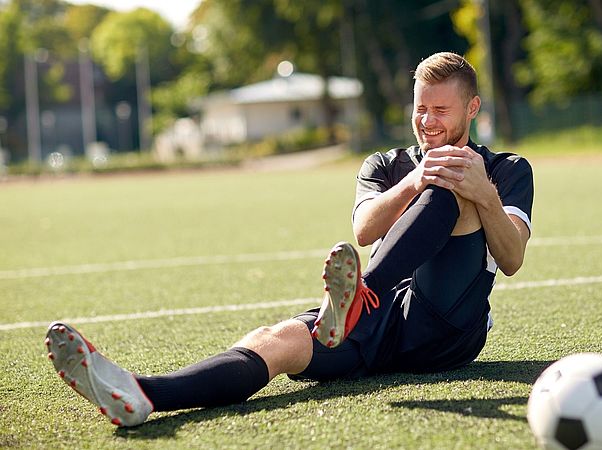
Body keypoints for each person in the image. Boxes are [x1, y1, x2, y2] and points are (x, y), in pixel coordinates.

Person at [45, 52, 534, 427]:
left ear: (471, 107)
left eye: (441, 110)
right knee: (276, 341)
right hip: (376, 319)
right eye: (420, 109)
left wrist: (484, 196)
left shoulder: (508, 169)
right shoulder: (384, 165)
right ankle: (142, 393)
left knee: (456, 188)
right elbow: (364, 229)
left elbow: (510, 259)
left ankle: (357, 300)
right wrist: (414, 181)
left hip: (445, 325)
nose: (428, 122)